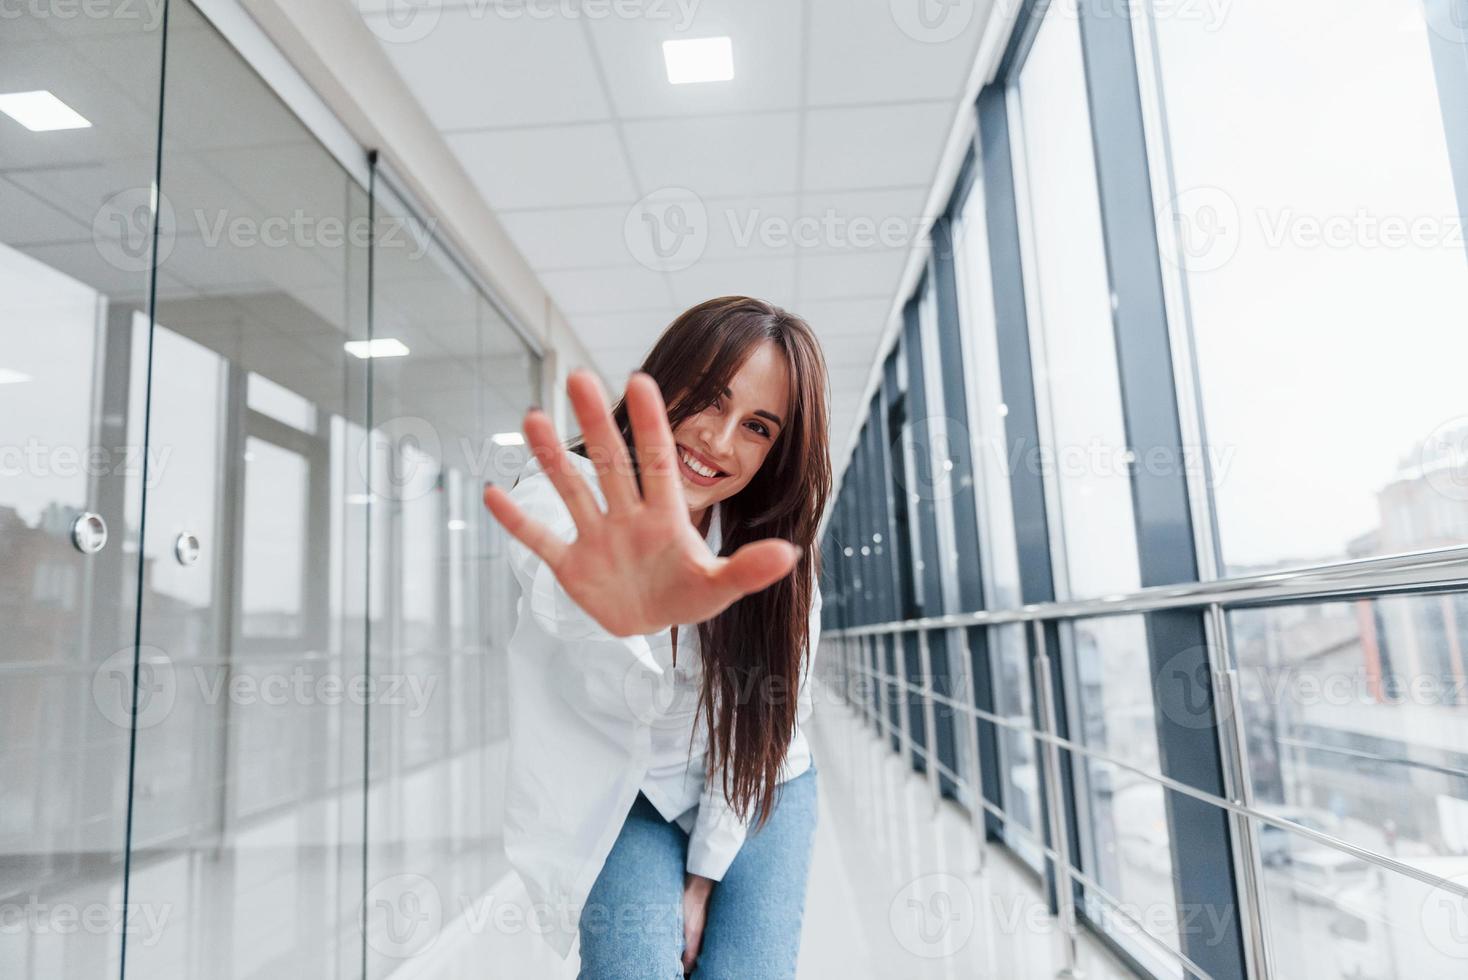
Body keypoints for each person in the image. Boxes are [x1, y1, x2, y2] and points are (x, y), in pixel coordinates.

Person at [482, 296, 832, 978]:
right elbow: (549, 551)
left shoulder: (776, 556)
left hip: (761, 778)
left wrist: (701, 880)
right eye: (708, 399)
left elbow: (761, 724)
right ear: (663, 382)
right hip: (632, 789)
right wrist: (623, 608)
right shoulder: (567, 490)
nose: (719, 441)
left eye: (757, 427)